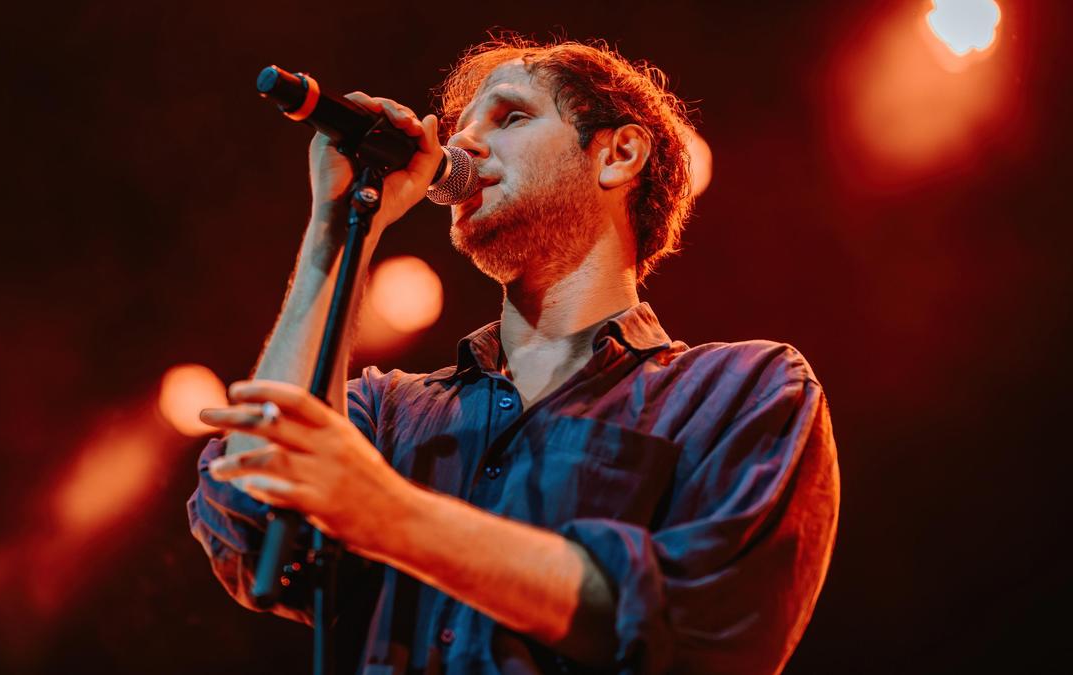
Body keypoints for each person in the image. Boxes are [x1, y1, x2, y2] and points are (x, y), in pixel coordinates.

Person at [187, 35, 840, 675]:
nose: (460, 144)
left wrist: (387, 512)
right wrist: (335, 227)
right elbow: (249, 518)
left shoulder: (739, 392)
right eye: (462, 127)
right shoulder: (384, 413)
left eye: (512, 116)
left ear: (618, 153)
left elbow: (699, 626)